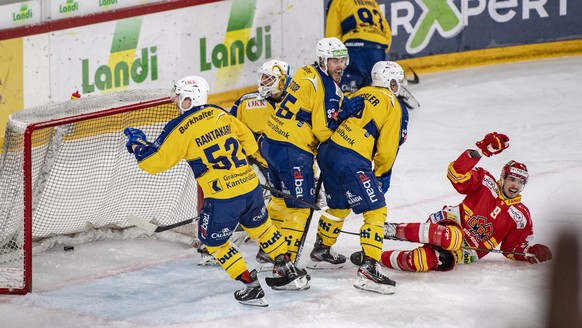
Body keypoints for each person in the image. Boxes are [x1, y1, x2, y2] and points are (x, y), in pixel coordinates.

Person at [124, 75, 310, 307]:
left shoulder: (180, 127)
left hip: (222, 197)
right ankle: (289, 272)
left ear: (190, 99)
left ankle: (250, 286)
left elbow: (153, 163)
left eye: (180, 97)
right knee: (263, 229)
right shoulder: (219, 112)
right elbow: (249, 143)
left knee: (213, 243)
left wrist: (137, 144)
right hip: (250, 186)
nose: (176, 101)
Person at [351, 132, 552, 272]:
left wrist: (529, 252)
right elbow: (456, 174)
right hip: (449, 224)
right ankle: (390, 230)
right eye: (512, 179)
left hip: (464, 253)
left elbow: (513, 247)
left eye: (520, 182)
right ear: (503, 177)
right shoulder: (485, 181)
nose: (515, 185)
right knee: (452, 237)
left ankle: (373, 258)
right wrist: (480, 152)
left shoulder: (521, 216)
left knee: (422, 261)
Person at [260, 37, 365, 263]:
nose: (341, 66)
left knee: (280, 199)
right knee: (301, 206)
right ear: (322, 60)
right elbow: (323, 131)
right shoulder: (329, 89)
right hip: (292, 150)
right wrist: (342, 114)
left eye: (342, 60)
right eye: (334, 61)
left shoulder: (305, 71)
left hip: (270, 141)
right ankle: (284, 263)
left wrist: (337, 108)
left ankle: (267, 249)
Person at [309, 61, 409, 294]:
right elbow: (388, 148)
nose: (400, 86)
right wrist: (382, 174)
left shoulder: (363, 91)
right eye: (397, 81)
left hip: (328, 152)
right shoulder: (393, 104)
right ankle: (369, 268)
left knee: (339, 204)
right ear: (390, 82)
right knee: (376, 210)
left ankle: (322, 249)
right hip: (351, 159)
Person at [196, 59, 292, 267]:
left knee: (281, 205)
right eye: (263, 77)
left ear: (283, 81)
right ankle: (215, 245)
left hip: (278, 163)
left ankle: (267, 249)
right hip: (246, 161)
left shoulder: (295, 103)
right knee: (236, 202)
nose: (264, 82)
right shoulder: (247, 102)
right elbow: (228, 128)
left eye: (270, 78)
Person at [325, 0, 392, 94]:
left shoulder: (337, 1)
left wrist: (334, 57)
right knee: (372, 88)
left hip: (356, 47)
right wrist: (381, 50)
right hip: (379, 47)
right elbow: (387, 31)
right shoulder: (371, 1)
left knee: (348, 89)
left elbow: (332, 33)